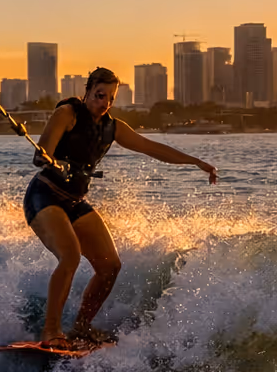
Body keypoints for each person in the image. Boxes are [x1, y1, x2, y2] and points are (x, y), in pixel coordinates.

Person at [24, 67, 218, 347]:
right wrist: (52, 160)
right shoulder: (67, 113)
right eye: (100, 95)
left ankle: (80, 327)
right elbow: (39, 155)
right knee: (70, 257)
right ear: (87, 91)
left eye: (111, 99)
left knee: (110, 266)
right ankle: (51, 332)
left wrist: (196, 162)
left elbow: (152, 148)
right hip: (45, 196)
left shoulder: (112, 127)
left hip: (75, 202)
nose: (104, 103)